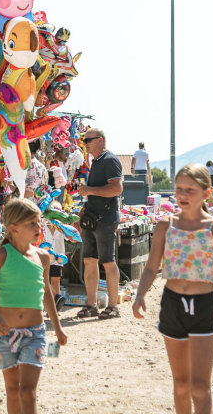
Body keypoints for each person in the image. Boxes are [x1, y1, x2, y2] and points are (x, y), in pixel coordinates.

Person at [131, 164, 213, 414]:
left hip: (203, 306)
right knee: (180, 385)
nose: (183, 194)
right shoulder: (165, 225)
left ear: (206, 194)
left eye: (190, 189)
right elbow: (151, 268)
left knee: (199, 387)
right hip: (172, 305)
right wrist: (140, 295)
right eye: (179, 188)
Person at [0, 198, 67, 414]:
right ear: (13, 228)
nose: (38, 227)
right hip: (4, 335)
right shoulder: (0, 256)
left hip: (35, 334)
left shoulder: (43, 257)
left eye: (38, 222)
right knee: (12, 391)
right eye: (31, 223)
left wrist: (58, 327)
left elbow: (46, 294)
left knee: (28, 392)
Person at [76, 128, 123, 319]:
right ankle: (91, 304)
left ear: (100, 141)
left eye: (88, 139)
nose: (85, 143)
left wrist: (88, 190)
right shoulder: (96, 161)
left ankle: (113, 306)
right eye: (84, 139)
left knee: (108, 262)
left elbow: (116, 189)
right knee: (89, 261)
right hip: (92, 218)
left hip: (105, 219)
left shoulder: (110, 160)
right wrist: (85, 207)